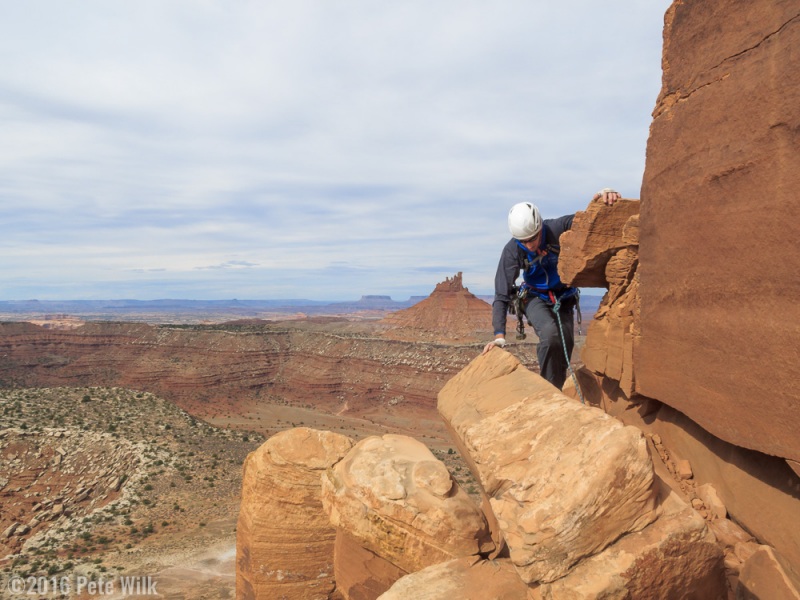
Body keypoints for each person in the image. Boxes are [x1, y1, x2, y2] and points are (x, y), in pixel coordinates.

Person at [482, 188, 620, 389]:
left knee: (564, 347)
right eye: (524, 241)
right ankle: (549, 391)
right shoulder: (512, 250)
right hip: (534, 297)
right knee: (550, 335)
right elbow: (501, 293)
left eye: (533, 238)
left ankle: (558, 389)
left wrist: (604, 197)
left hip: (564, 297)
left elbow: (588, 221)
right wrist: (499, 336)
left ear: (540, 228)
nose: (529, 245)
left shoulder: (556, 228)